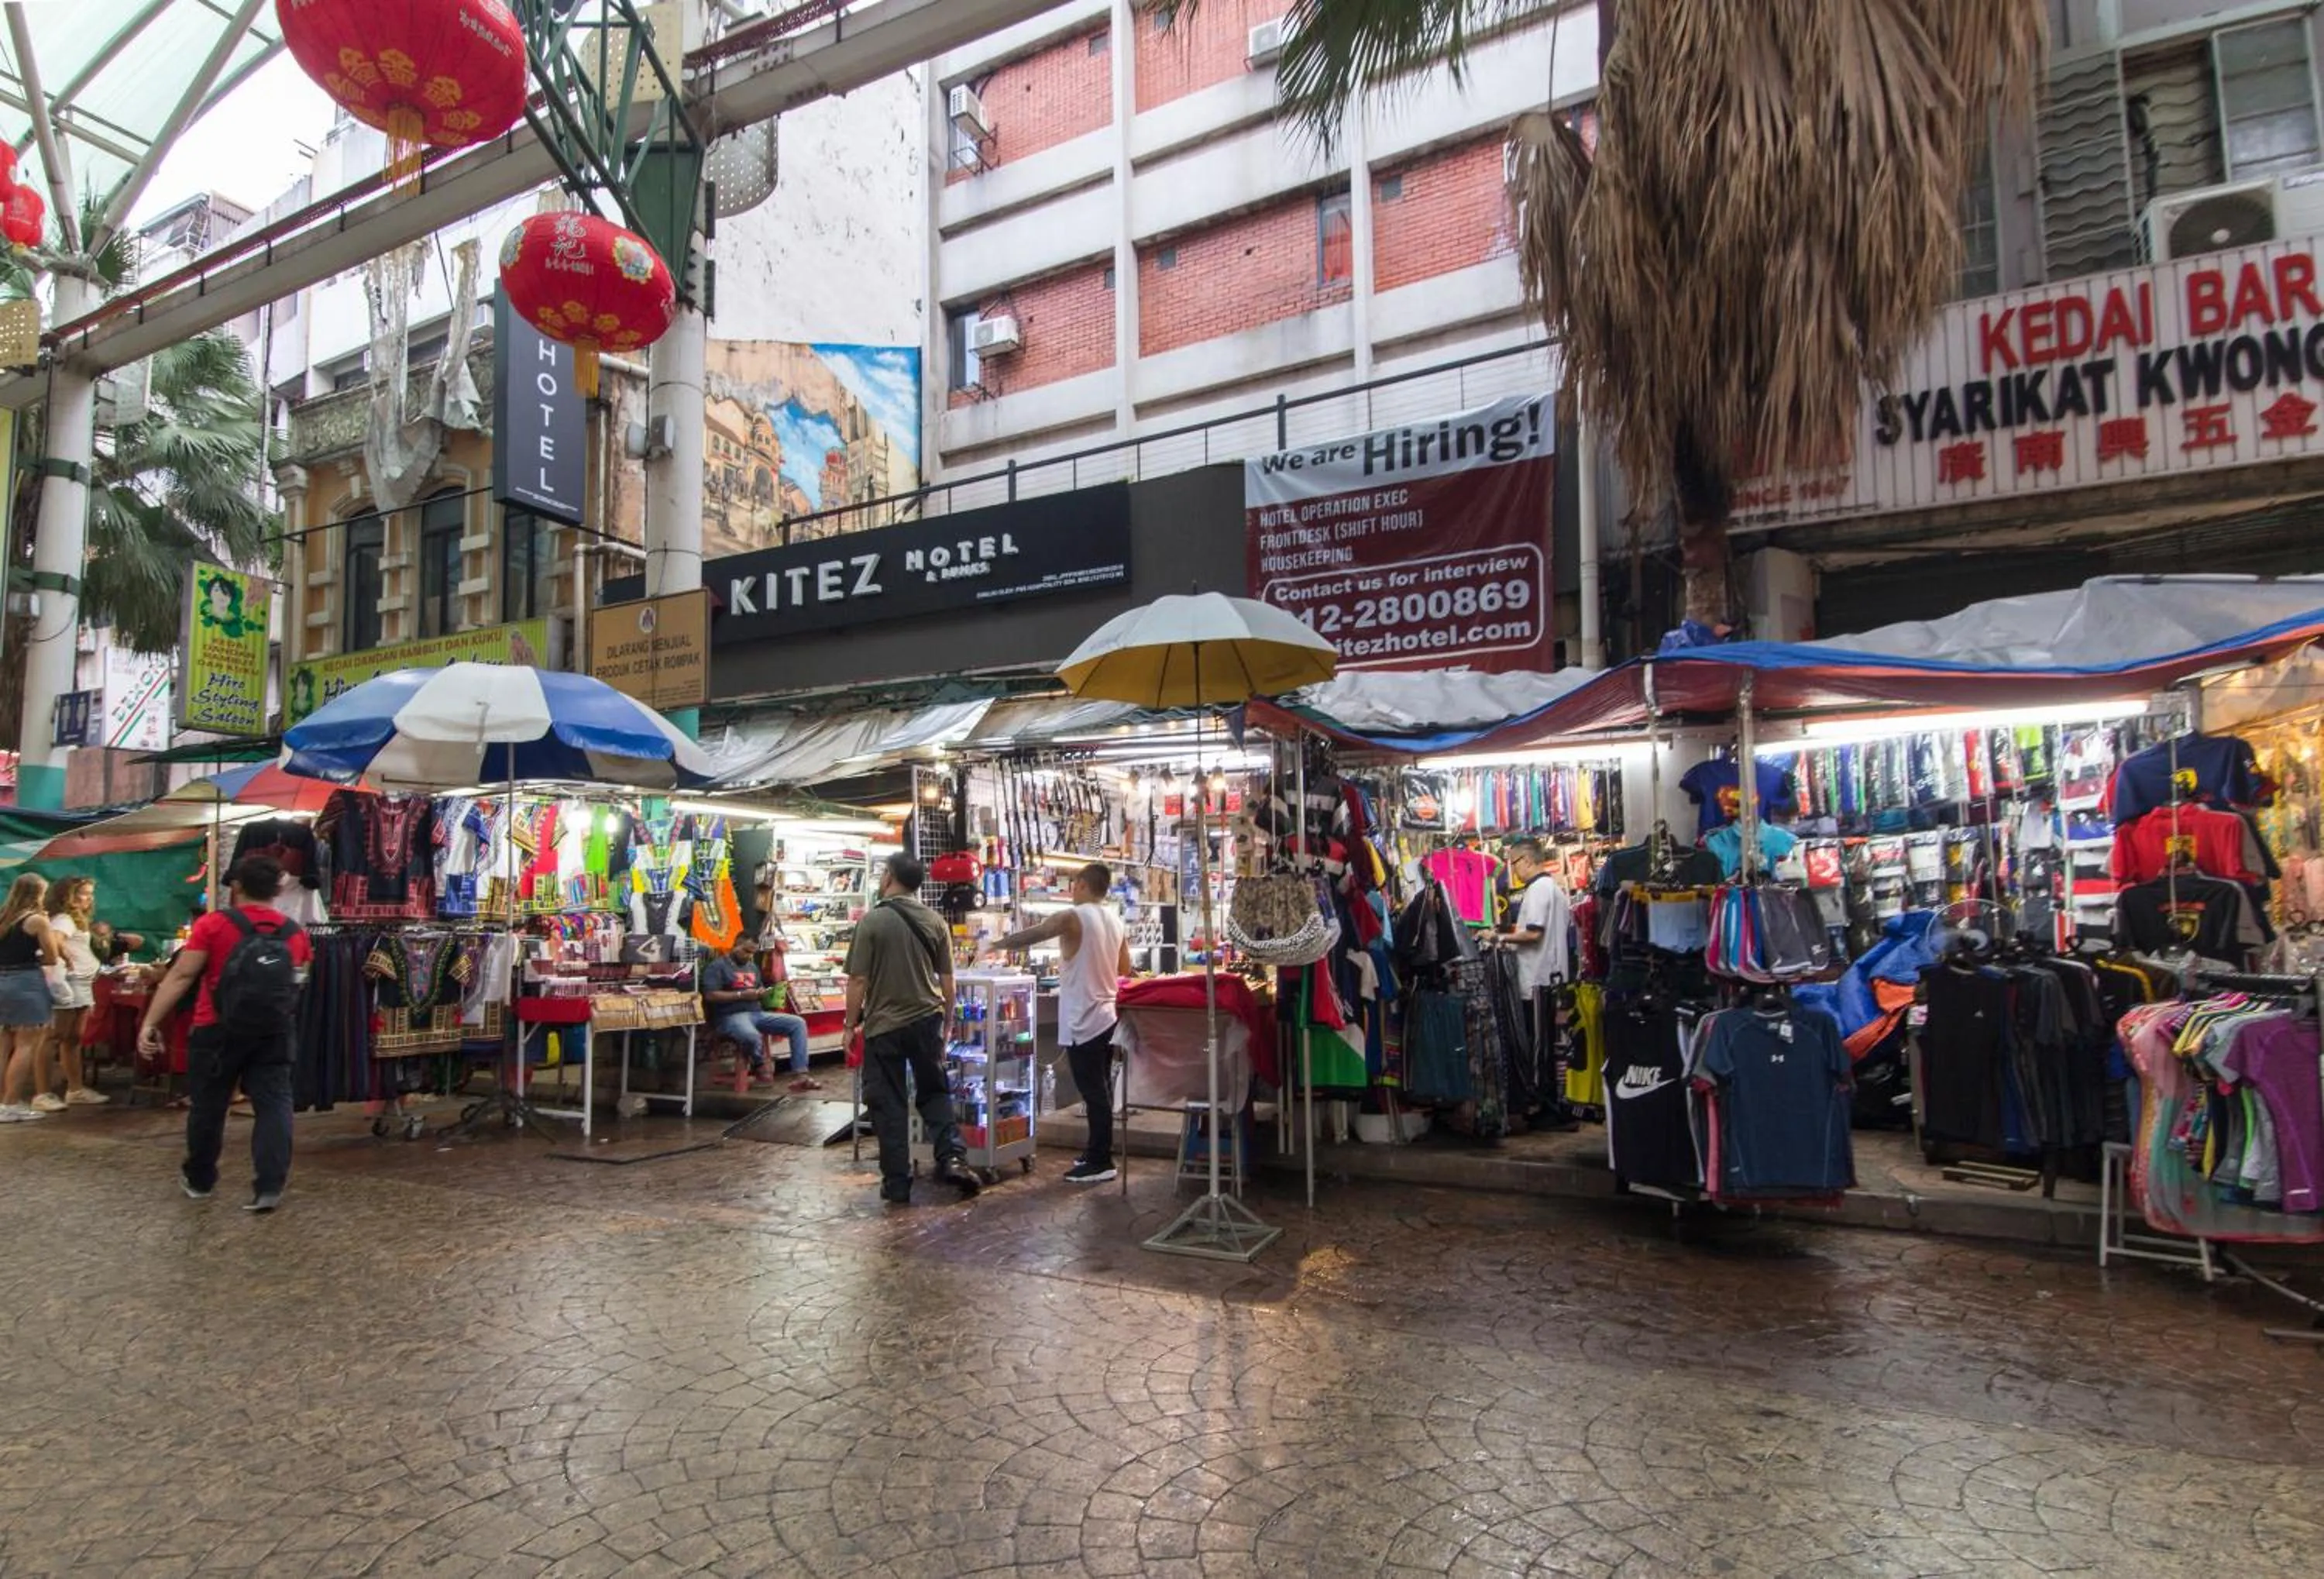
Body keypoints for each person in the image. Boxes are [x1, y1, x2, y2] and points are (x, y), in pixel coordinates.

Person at [138, 856, 311, 1213]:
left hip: (216, 1028)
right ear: (278, 890)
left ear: (236, 886)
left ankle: (200, 1179)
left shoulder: (213, 925)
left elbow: (182, 976)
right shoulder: (295, 933)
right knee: (274, 1106)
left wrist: (151, 1022)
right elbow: (299, 983)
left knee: (209, 1106)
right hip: (274, 1032)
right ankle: (269, 1186)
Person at [844, 851, 980, 1206]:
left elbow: (858, 979)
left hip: (883, 1026)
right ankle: (952, 1158)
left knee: (888, 1104)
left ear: (888, 877)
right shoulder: (935, 921)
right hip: (927, 1021)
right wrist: (948, 1023)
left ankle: (898, 1182)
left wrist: (848, 1027)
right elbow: (948, 982)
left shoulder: (872, 923)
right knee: (934, 1092)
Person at [988, 862, 1130, 1184]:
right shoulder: (1115, 920)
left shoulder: (1073, 917)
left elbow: (1037, 933)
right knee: (1101, 1089)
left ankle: (1100, 1160)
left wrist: (997, 944)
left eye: (1073, 883)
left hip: (1085, 1018)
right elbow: (1125, 967)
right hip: (1106, 1013)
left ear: (1080, 884)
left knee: (1093, 1092)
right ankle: (1097, 1150)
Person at [1497, 839, 1578, 1131]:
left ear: (1527, 860)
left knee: (1539, 1047)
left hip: (1538, 980)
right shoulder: (1554, 889)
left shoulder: (1538, 890)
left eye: (1514, 863)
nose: (1513, 870)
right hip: (1551, 978)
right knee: (1552, 1046)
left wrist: (1499, 938)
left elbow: (1533, 934)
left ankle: (1547, 1108)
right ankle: (1554, 1107)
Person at [701, 937, 819, 1093]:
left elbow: (757, 988)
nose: (749, 956)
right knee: (750, 1035)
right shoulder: (717, 967)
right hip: (730, 1016)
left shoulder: (752, 966)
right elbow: (710, 995)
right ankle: (759, 1065)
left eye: (752, 953)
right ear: (735, 945)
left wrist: (762, 993)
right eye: (746, 951)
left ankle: (801, 1075)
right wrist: (740, 995)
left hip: (756, 1013)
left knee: (797, 1023)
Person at [34, 876, 109, 1109]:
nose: (88, 898)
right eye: (83, 893)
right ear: (68, 896)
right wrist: (66, 959)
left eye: (90, 893)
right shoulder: (65, 920)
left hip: (81, 982)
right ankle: (43, 1093)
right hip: (69, 981)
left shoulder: (76, 920)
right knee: (53, 1036)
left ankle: (75, 1089)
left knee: (73, 1038)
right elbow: (54, 942)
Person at [0, 875, 61, 1123]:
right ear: (38, 893)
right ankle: (11, 1104)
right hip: (25, 982)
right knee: (26, 1044)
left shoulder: (3, 916)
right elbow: (52, 957)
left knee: (3, 1044)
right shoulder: (37, 920)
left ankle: (2, 1102)